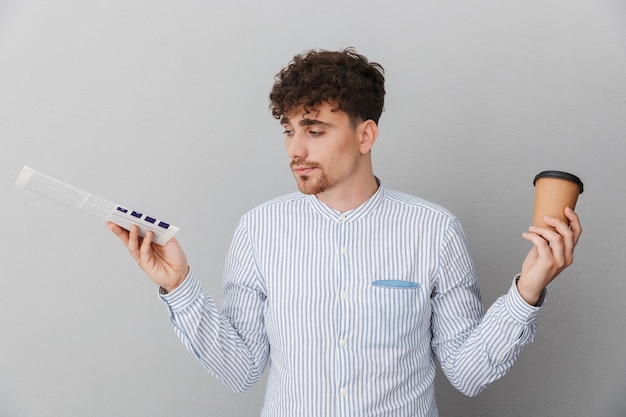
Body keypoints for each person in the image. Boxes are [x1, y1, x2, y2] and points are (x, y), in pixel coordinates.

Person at [108, 48, 581, 417]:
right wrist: (178, 287)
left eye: (314, 131)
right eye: (289, 130)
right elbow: (240, 369)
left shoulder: (433, 229)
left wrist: (528, 289)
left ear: (365, 135)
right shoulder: (259, 229)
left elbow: (468, 371)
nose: (295, 148)